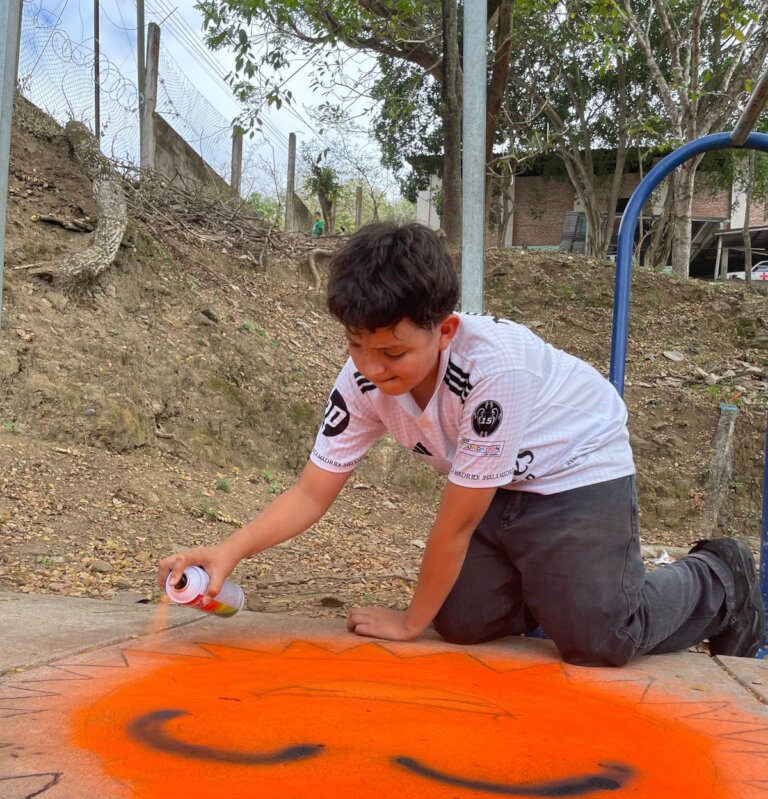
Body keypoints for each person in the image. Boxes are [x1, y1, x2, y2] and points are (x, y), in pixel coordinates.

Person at [157, 222, 764, 665]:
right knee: (465, 622)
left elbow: (457, 523)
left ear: (444, 330)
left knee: (601, 639)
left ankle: (721, 577)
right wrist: (229, 550)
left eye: (392, 352)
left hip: (577, 468)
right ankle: (552, 583)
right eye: (356, 345)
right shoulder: (363, 380)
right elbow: (312, 492)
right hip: (502, 483)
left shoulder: (494, 370)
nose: (371, 367)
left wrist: (409, 623)